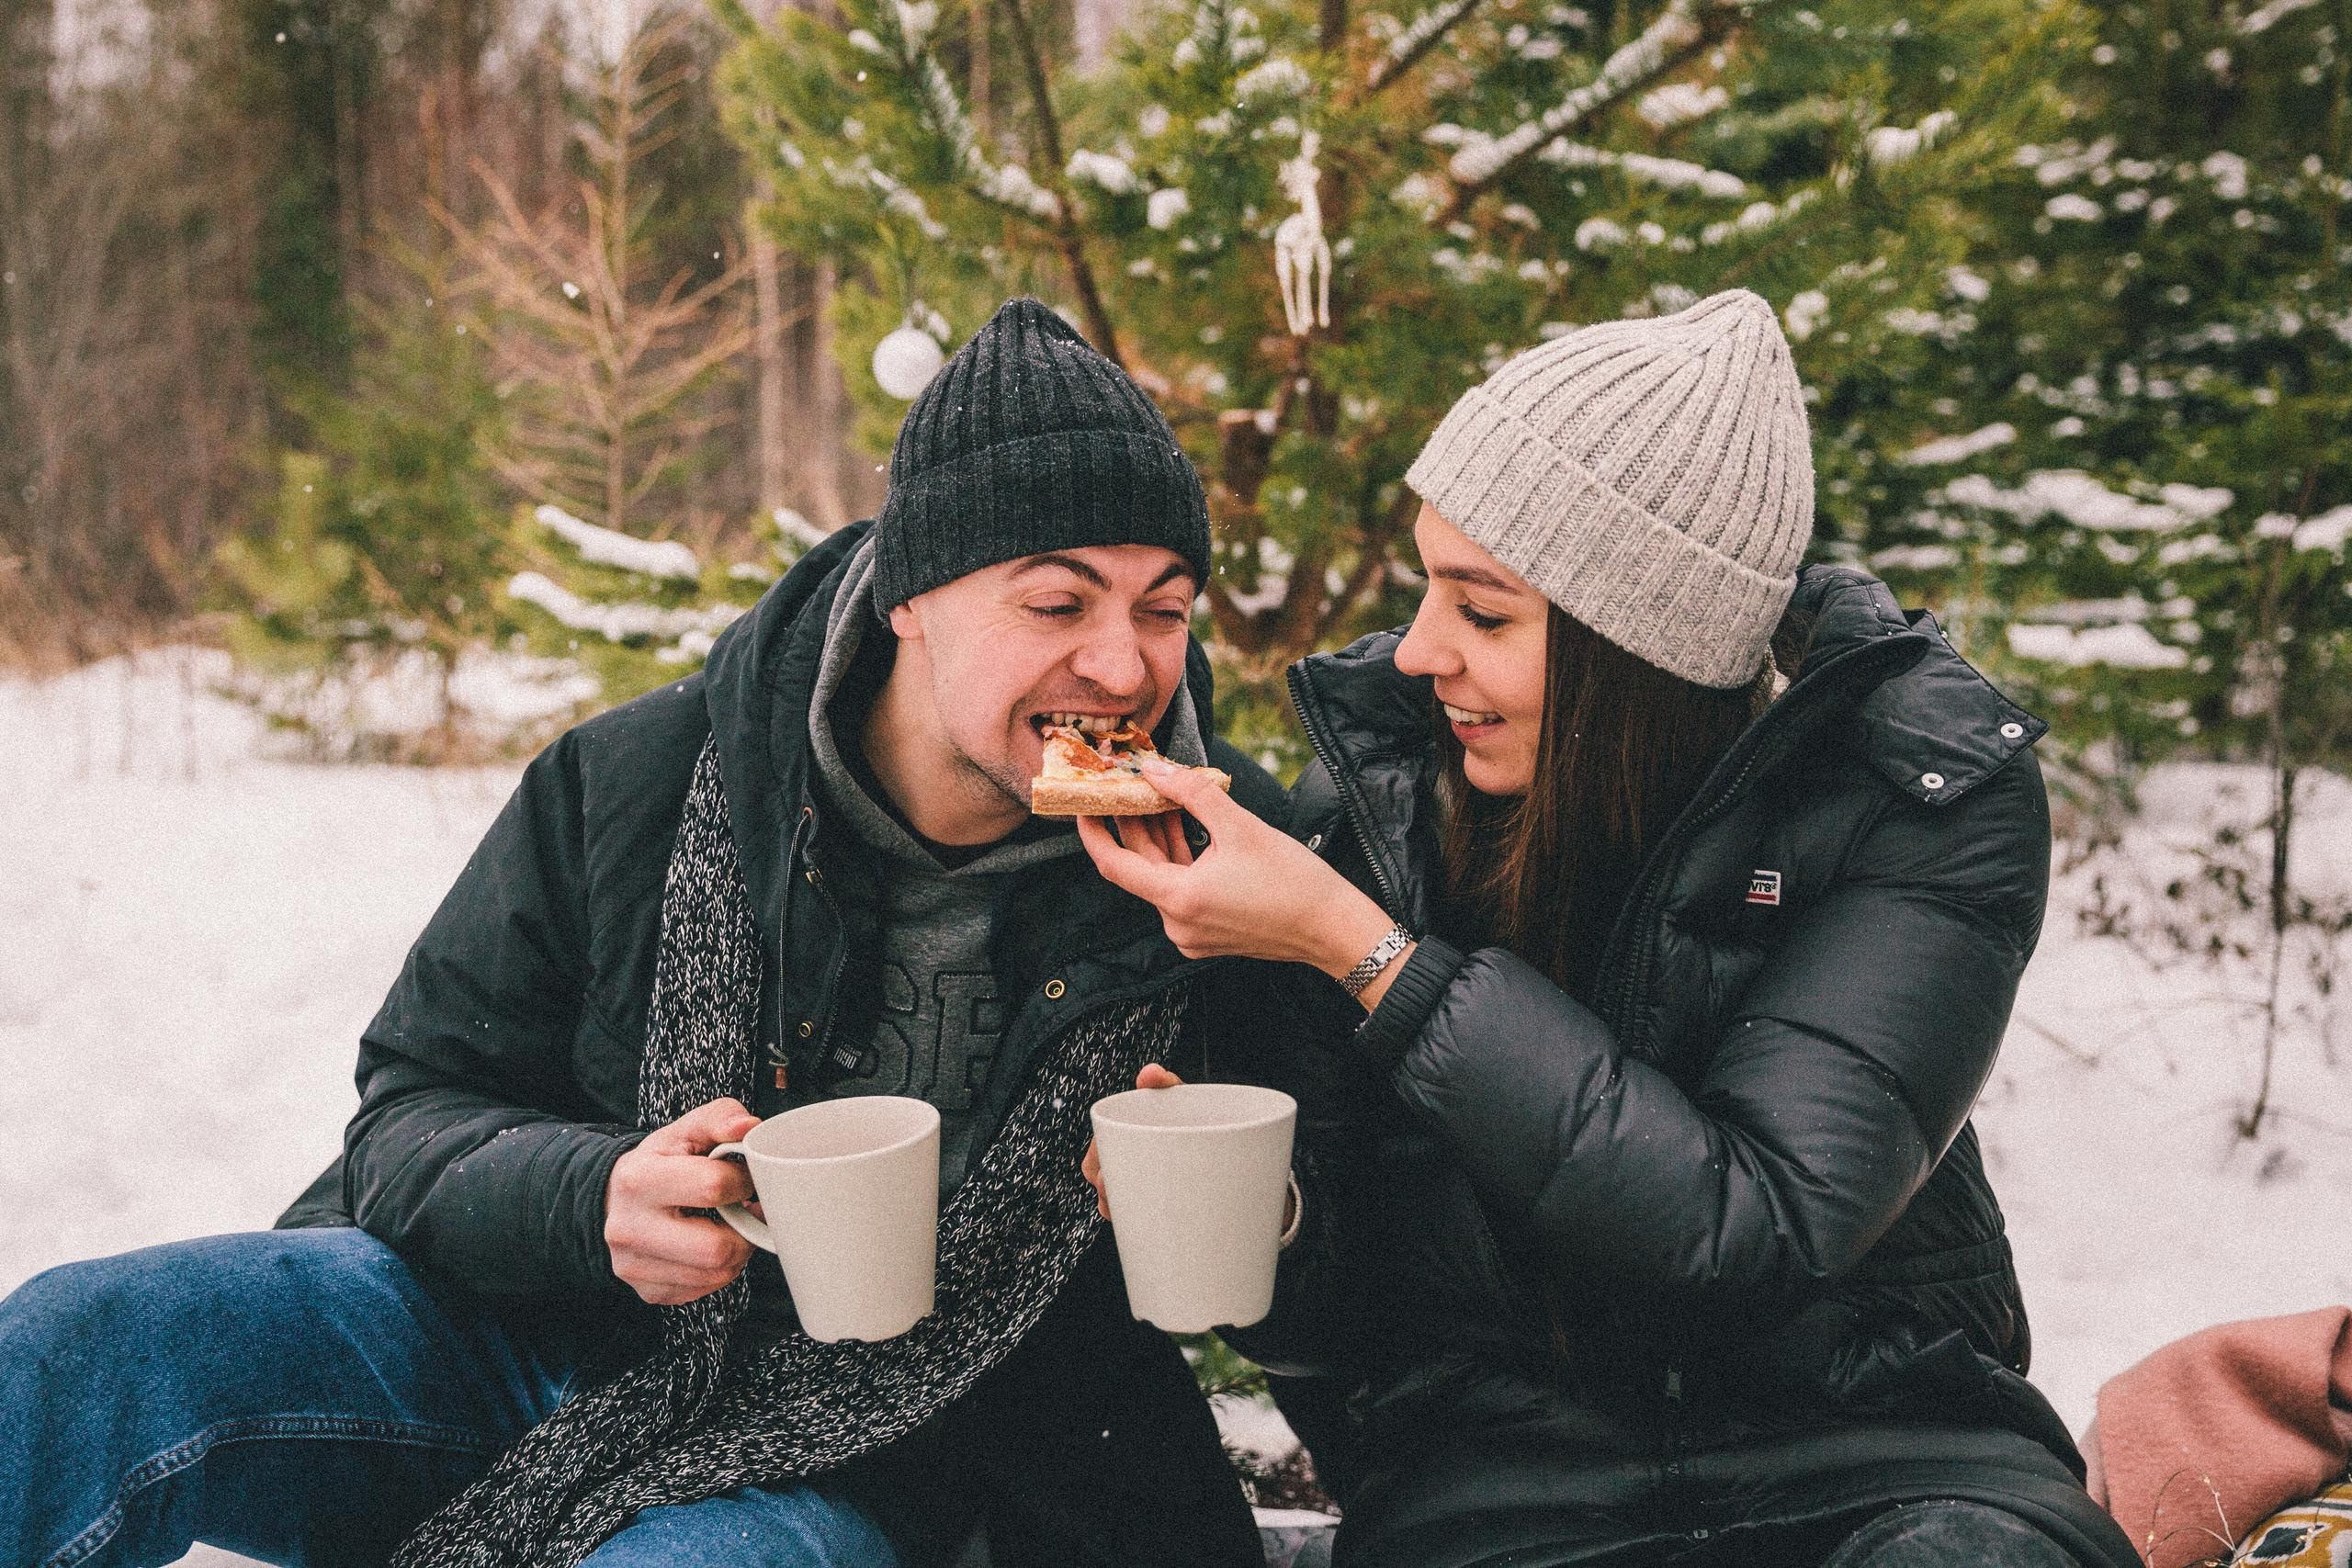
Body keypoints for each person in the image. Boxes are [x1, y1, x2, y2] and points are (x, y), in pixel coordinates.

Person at [0, 298, 1277, 1568]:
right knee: (88, 1339)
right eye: (1058, 605)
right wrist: (592, 1195)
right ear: (910, 598)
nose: (1123, 671)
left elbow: (1350, 1267)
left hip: (867, 1445)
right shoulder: (640, 782)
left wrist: (1263, 1203)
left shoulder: (1228, 865)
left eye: (1163, 610)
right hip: (520, 1334)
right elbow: (407, 1117)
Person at [1076, 289, 2145, 1568]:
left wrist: (1370, 958)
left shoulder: (1913, 798)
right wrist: (1268, 1223)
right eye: (1429, 588)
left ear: (1633, 650)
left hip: (1879, 1448)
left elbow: (1753, 1225)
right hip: (1505, 1482)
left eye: (1483, 612)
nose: (1416, 654)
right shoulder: (1388, 808)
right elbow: (1340, 1330)